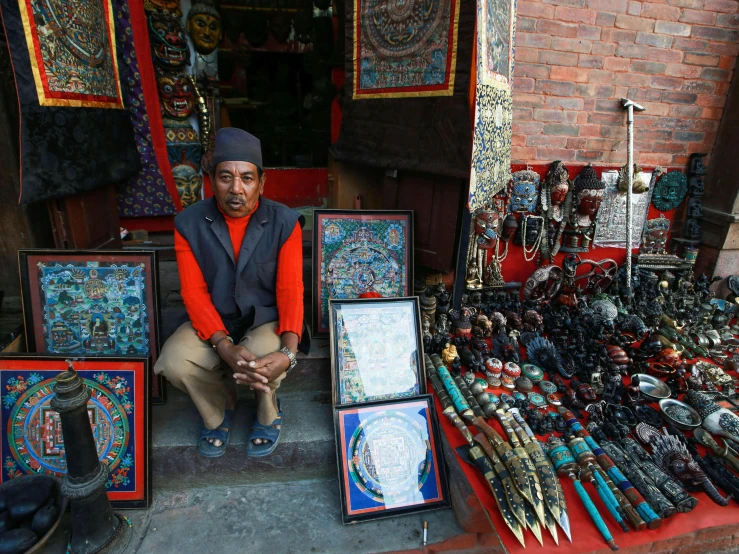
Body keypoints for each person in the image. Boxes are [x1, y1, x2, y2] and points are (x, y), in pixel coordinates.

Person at [155, 128, 305, 458]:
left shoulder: (284, 222)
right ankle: (218, 409)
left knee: (266, 352)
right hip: (214, 318)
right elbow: (193, 293)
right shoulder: (188, 223)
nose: (236, 189)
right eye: (226, 177)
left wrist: (289, 352)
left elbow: (290, 289)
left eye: (247, 178)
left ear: (261, 184)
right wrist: (223, 345)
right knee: (174, 361)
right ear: (211, 181)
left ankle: (268, 410)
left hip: (263, 319)